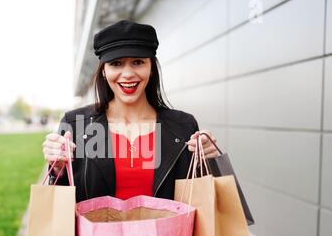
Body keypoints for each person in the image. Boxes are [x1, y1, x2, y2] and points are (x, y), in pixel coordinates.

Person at [42, 20, 219, 203]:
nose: (127, 74)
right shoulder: (75, 124)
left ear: (151, 68)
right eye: (116, 63)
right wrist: (57, 168)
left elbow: (200, 197)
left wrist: (209, 160)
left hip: (168, 232)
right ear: (104, 71)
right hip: (97, 232)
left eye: (137, 62)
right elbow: (61, 202)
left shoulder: (183, 125)